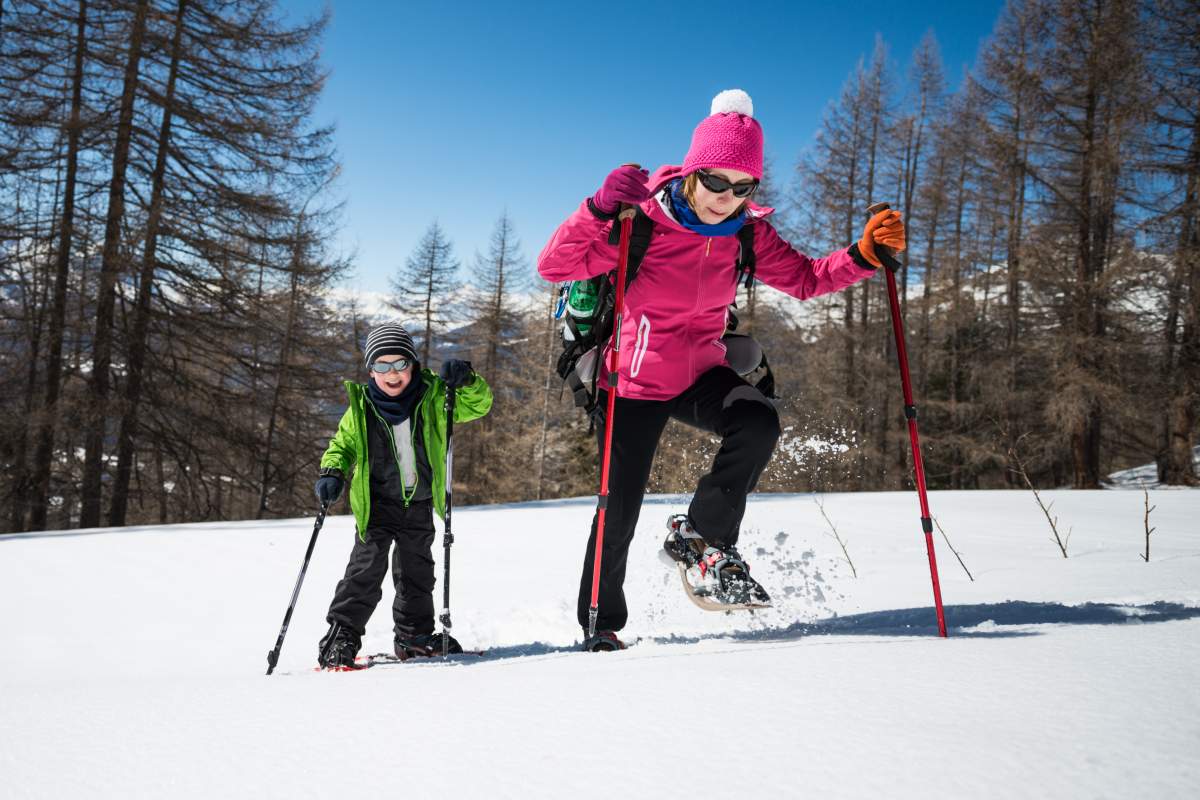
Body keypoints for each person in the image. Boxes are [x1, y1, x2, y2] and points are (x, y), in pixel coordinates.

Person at [537, 89, 905, 649]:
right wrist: (598, 209)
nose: (725, 197)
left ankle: (701, 538)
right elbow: (554, 266)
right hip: (634, 381)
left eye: (743, 187)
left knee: (757, 422)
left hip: (701, 372)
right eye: (715, 181)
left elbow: (806, 279)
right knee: (620, 509)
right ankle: (600, 624)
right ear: (691, 172)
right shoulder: (643, 226)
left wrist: (862, 257)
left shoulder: (747, 233)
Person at [313, 322, 493, 667]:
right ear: (371, 370)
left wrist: (468, 380)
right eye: (382, 365)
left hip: (420, 502)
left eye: (400, 364)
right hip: (377, 504)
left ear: (413, 365)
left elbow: (479, 405)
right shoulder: (362, 407)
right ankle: (342, 636)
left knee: (417, 572)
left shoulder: (437, 395)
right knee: (364, 572)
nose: (392, 373)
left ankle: (414, 636)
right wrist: (332, 471)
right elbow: (342, 445)